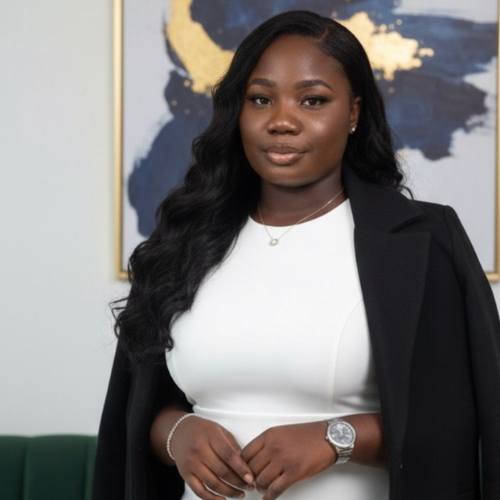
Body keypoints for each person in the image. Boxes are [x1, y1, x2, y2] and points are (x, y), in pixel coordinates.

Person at [92, 10, 500, 500]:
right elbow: (140, 406)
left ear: (353, 113)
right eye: (261, 99)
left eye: (313, 100)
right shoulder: (184, 237)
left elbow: (456, 416)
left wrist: (336, 438)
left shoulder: (422, 240)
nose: (281, 121)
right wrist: (179, 434)